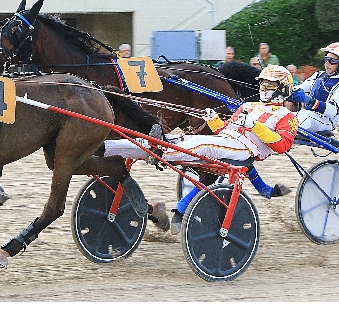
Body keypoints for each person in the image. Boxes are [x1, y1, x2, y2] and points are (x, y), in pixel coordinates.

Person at [99, 65, 298, 234]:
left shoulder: (287, 117)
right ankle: (106, 148)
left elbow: (282, 146)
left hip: (244, 149)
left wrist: (255, 126)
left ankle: (161, 150)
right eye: (262, 84)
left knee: (201, 145)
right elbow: (223, 129)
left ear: (281, 89)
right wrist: (213, 119)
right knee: (173, 140)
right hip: (226, 140)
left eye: (269, 85)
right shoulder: (249, 106)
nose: (263, 89)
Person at [287, 42, 339, 132]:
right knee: (281, 115)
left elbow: (332, 111)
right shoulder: (318, 75)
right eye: (326, 59)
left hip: (326, 122)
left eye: (332, 61)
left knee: (305, 114)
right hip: (308, 117)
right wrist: (284, 90)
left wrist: (308, 100)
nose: (326, 64)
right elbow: (300, 88)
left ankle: (287, 134)